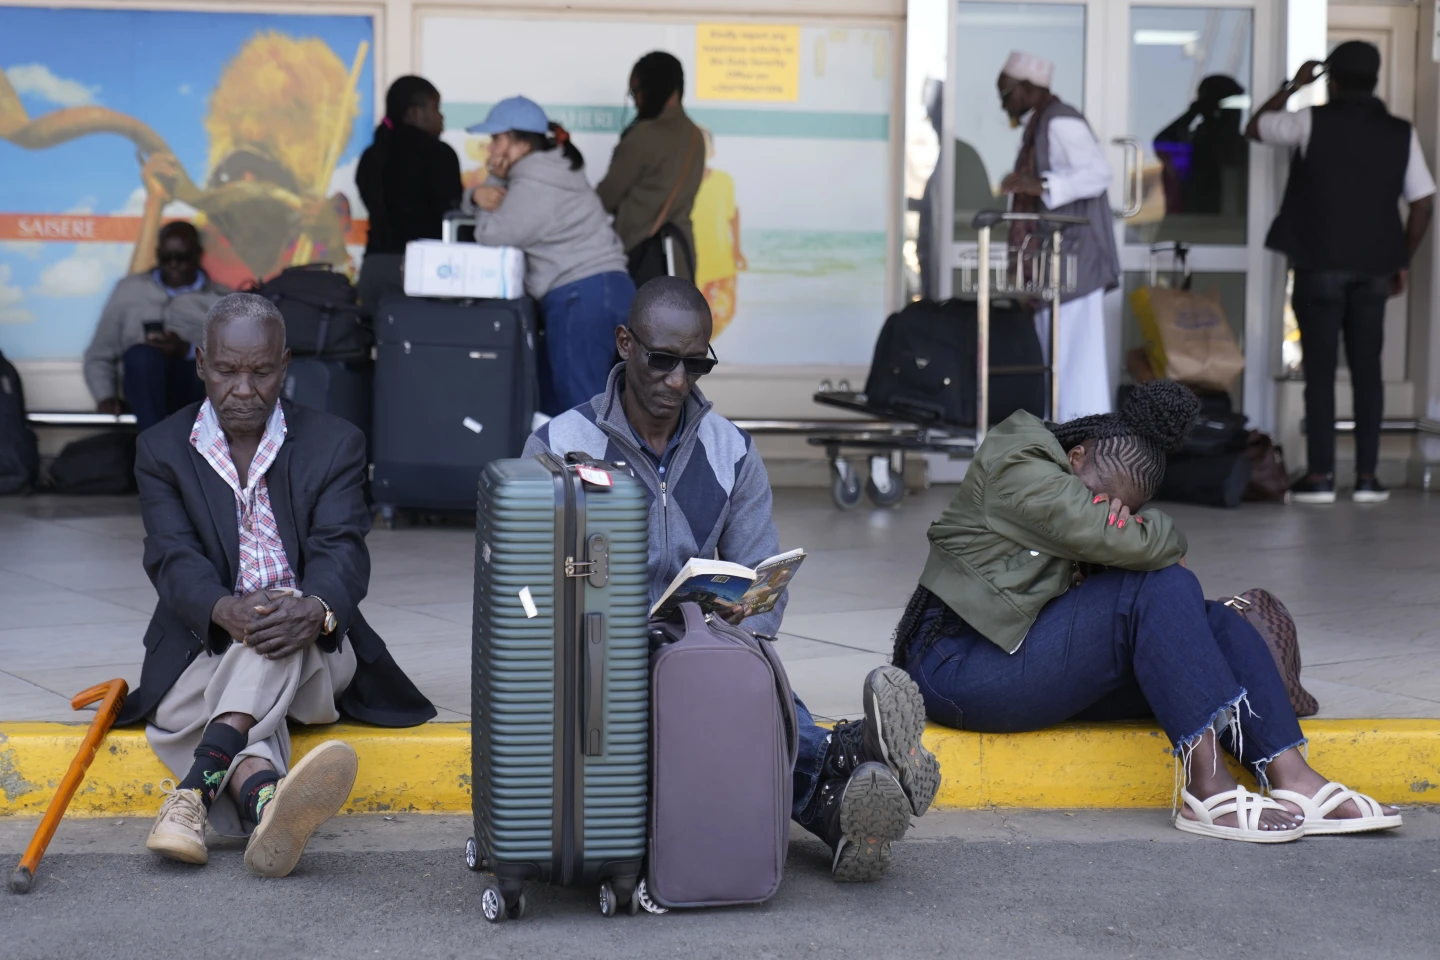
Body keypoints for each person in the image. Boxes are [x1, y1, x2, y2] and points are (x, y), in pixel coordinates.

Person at [523, 278, 940, 881]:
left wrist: (751, 612)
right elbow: (528, 587)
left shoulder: (732, 451)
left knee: (745, 680)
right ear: (624, 344)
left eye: (696, 365)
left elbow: (760, 568)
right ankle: (846, 766)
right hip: (600, 659)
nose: (677, 380)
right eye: (663, 360)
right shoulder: (559, 445)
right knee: (708, 705)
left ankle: (839, 804)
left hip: (698, 647)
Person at [893, 379, 1402, 842]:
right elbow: (1146, 548)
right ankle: (1205, 790)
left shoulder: (1071, 483)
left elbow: (1138, 548)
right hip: (958, 669)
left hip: (1021, 656)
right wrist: (1142, 531)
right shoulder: (1018, 463)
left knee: (1214, 619)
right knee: (1157, 585)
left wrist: (1135, 530)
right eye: (1102, 501)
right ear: (1076, 456)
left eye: (1122, 512)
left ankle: (1293, 778)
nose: (1110, 516)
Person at [122, 292, 436, 875]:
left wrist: (313, 609)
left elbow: (342, 549)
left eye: (261, 371)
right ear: (200, 363)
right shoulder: (161, 448)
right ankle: (267, 803)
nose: (244, 389)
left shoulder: (334, 443)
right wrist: (224, 610)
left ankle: (190, 796)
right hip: (205, 651)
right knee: (243, 665)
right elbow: (171, 557)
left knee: (276, 621)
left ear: (284, 364)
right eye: (227, 370)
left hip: (315, 652)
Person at [1248, 42, 1436, 505]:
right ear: (1375, 79)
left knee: (1320, 370)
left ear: (1332, 78)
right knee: (1368, 372)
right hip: (1374, 268)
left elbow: (1255, 128)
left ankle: (1320, 477)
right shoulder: (1400, 132)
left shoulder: (1311, 120)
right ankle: (1369, 478)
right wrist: (1401, 258)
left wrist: (1293, 84)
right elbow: (1423, 201)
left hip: (1318, 265)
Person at [461, 97, 634, 415]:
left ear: (519, 142)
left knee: (581, 412)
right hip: (608, 291)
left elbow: (492, 235)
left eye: (496, 139)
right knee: (596, 406)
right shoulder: (555, 168)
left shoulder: (533, 181)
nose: (490, 149)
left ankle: (599, 467)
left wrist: (485, 187)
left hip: (580, 297)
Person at [997, 51, 1121, 421]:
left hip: (1075, 262)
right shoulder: (1042, 123)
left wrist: (1042, 184)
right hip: (1057, 263)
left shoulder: (1059, 121)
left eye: (1006, 94)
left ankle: (1086, 456)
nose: (1003, 103)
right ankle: (1067, 452)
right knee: (1059, 363)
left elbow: (1098, 173)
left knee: (1075, 365)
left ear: (1027, 88)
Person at [83, 222, 227, 431]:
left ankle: (156, 453)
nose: (174, 265)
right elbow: (99, 354)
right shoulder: (129, 291)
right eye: (166, 258)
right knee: (141, 355)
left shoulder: (222, 300)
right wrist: (105, 396)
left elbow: (234, 364)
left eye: (182, 258)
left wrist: (186, 349)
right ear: (157, 255)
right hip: (142, 390)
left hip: (194, 390)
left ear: (198, 255)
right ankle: (157, 449)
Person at [355, 76, 463, 308]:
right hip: (424, 272)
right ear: (413, 113)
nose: (441, 117)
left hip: (374, 270)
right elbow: (452, 217)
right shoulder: (440, 155)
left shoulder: (372, 156)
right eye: (436, 109)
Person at [597, 52, 704, 284]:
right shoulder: (696, 136)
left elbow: (606, 198)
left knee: (637, 320)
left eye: (636, 91)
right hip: (680, 257)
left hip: (641, 257)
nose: (635, 101)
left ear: (654, 88)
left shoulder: (643, 136)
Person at [1154, 75, 1248, 218]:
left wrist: (1194, 112)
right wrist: (1195, 111)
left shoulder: (1243, 148)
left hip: (1232, 232)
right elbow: (1161, 143)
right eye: (1231, 105)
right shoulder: (1193, 147)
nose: (1237, 113)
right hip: (1194, 231)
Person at [690, 127, 746, 337]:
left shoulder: (724, 180)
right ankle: (695, 356)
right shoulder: (680, 184)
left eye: (703, 146)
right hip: (694, 266)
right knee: (693, 318)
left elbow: (733, 214)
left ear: (711, 151)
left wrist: (737, 250)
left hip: (722, 264)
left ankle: (700, 352)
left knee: (725, 313)